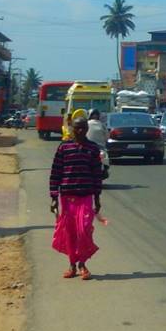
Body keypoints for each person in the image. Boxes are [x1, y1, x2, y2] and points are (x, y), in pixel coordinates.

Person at [49, 119, 105, 279]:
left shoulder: (93, 149)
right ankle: (73, 265)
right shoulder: (64, 147)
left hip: (86, 196)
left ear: (87, 129)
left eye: (83, 128)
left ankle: (82, 263)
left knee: (84, 230)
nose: (80, 131)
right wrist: (54, 197)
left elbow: (97, 175)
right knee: (70, 232)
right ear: (72, 129)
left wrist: (97, 197)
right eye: (77, 128)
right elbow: (55, 173)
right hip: (67, 197)